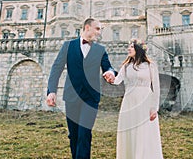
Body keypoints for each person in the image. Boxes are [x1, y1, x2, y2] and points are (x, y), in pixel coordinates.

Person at [46, 18, 116, 159]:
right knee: (74, 135)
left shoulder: (100, 50)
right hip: (71, 96)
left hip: (91, 98)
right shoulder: (68, 46)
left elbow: (108, 66)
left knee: (85, 133)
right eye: (97, 28)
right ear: (87, 27)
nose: (99, 32)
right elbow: (56, 68)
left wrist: (110, 72)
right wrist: (51, 91)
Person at [112, 39, 163, 159]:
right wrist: (109, 77)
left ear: (139, 50)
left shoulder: (150, 65)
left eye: (132, 47)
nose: (128, 49)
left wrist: (154, 108)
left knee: (144, 131)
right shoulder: (126, 66)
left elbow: (156, 87)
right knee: (130, 130)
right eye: (128, 47)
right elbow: (117, 80)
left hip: (145, 101)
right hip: (129, 101)